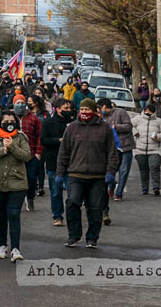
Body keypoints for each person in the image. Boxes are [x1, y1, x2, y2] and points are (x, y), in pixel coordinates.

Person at [55, 99, 118, 249]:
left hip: (98, 177)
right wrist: (60, 173)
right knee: (72, 204)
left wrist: (110, 172)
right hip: (76, 175)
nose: (84, 112)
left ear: (94, 111)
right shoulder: (72, 128)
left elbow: (112, 153)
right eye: (82, 109)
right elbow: (64, 152)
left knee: (95, 208)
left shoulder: (104, 128)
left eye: (87, 109)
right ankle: (74, 236)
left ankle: (92, 238)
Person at [0, 110, 32, 262]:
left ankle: (15, 248)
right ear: (0, 122)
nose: (9, 124)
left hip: (17, 183)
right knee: (1, 215)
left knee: (14, 214)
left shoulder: (21, 137)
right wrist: (2, 150)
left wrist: (12, 147)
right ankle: (2, 246)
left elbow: (27, 156)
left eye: (12, 121)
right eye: (6, 121)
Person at [41, 99, 74, 226]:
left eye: (69, 108)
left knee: (73, 193)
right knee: (55, 192)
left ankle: (72, 216)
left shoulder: (72, 123)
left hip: (71, 162)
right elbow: (43, 140)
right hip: (53, 161)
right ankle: (57, 216)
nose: (68, 111)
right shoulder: (48, 122)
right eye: (65, 108)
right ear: (58, 109)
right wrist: (58, 140)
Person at [100, 97, 134, 202]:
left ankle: (119, 193)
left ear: (104, 106)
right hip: (111, 148)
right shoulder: (102, 117)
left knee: (124, 170)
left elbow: (129, 126)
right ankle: (111, 186)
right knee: (110, 169)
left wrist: (116, 127)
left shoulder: (121, 112)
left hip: (125, 146)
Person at [132, 103, 161, 196]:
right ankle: (144, 189)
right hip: (140, 149)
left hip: (155, 149)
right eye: (147, 111)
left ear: (153, 112)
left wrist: (157, 136)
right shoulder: (138, 119)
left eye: (150, 111)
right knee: (143, 170)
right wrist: (135, 132)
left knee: (154, 167)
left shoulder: (158, 121)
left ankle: (156, 188)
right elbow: (129, 126)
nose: (148, 113)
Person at [13, 96, 42, 211]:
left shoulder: (33, 118)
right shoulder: (9, 117)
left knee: (31, 180)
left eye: (22, 102)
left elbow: (40, 135)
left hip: (30, 154)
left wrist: (38, 152)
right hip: (13, 155)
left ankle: (30, 199)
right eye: (17, 103)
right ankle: (16, 202)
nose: (20, 105)